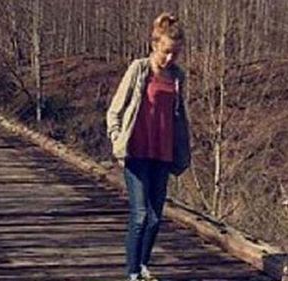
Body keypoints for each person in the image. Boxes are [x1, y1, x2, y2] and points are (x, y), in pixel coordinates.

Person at [106, 12, 191, 281]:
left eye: (175, 53)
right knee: (140, 215)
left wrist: (182, 149)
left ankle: (142, 266)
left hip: (162, 154)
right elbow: (115, 110)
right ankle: (132, 274)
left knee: (156, 219)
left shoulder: (177, 77)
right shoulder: (139, 69)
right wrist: (117, 139)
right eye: (166, 52)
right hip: (137, 152)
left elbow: (179, 116)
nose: (169, 58)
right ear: (155, 45)